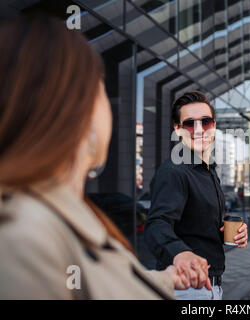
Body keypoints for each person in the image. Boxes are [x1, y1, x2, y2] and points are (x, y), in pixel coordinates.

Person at [0, 15, 193, 299]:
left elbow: (106, 284)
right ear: (80, 110)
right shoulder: (26, 238)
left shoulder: (60, 222)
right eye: (102, 89)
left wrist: (166, 279)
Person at [145, 91, 248, 300]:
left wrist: (231, 233)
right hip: (186, 289)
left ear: (214, 125)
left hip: (210, 286)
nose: (199, 129)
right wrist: (180, 253)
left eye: (206, 122)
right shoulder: (175, 171)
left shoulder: (208, 171)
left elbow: (198, 227)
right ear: (178, 129)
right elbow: (157, 223)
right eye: (190, 123)